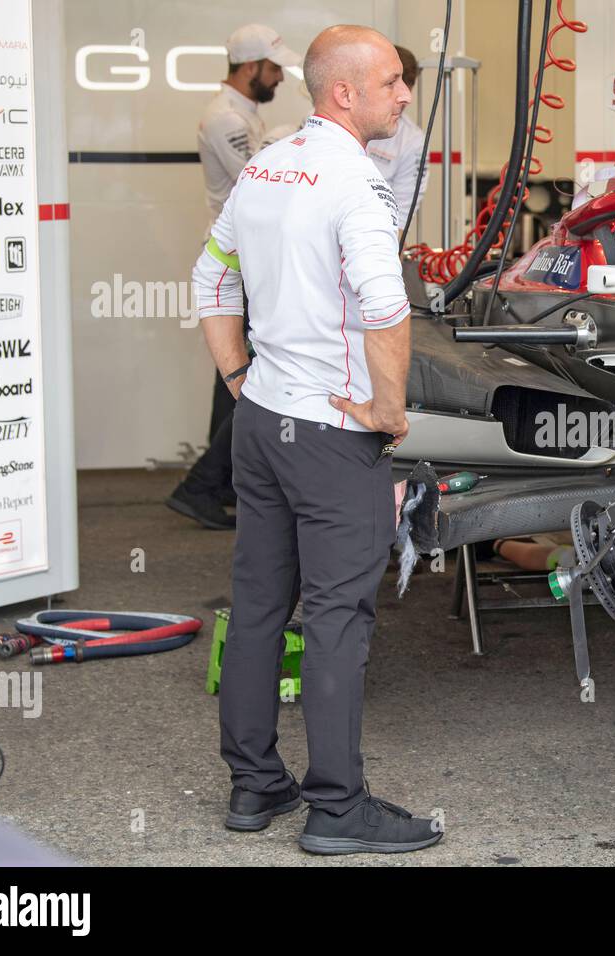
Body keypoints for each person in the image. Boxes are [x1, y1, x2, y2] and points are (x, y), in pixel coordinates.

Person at [191, 24, 441, 854]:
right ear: (344, 93)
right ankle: (337, 809)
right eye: (392, 84)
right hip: (332, 435)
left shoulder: (265, 166)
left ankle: (254, 787)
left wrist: (237, 379)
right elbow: (385, 306)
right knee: (338, 617)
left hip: (261, 425)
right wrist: (389, 411)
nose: (405, 96)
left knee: (261, 608)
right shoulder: (353, 184)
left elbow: (210, 275)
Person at [168, 24, 299, 530]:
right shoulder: (226, 119)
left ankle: (215, 483)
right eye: (273, 69)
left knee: (233, 376)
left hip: (245, 256)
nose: (280, 79)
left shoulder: (243, 114)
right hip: (241, 258)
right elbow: (261, 185)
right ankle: (200, 484)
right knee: (251, 374)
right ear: (250, 68)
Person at [366, 45, 429, 228]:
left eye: (406, 90)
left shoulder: (412, 140)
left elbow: (400, 218)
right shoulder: (338, 118)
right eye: (390, 87)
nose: (403, 99)